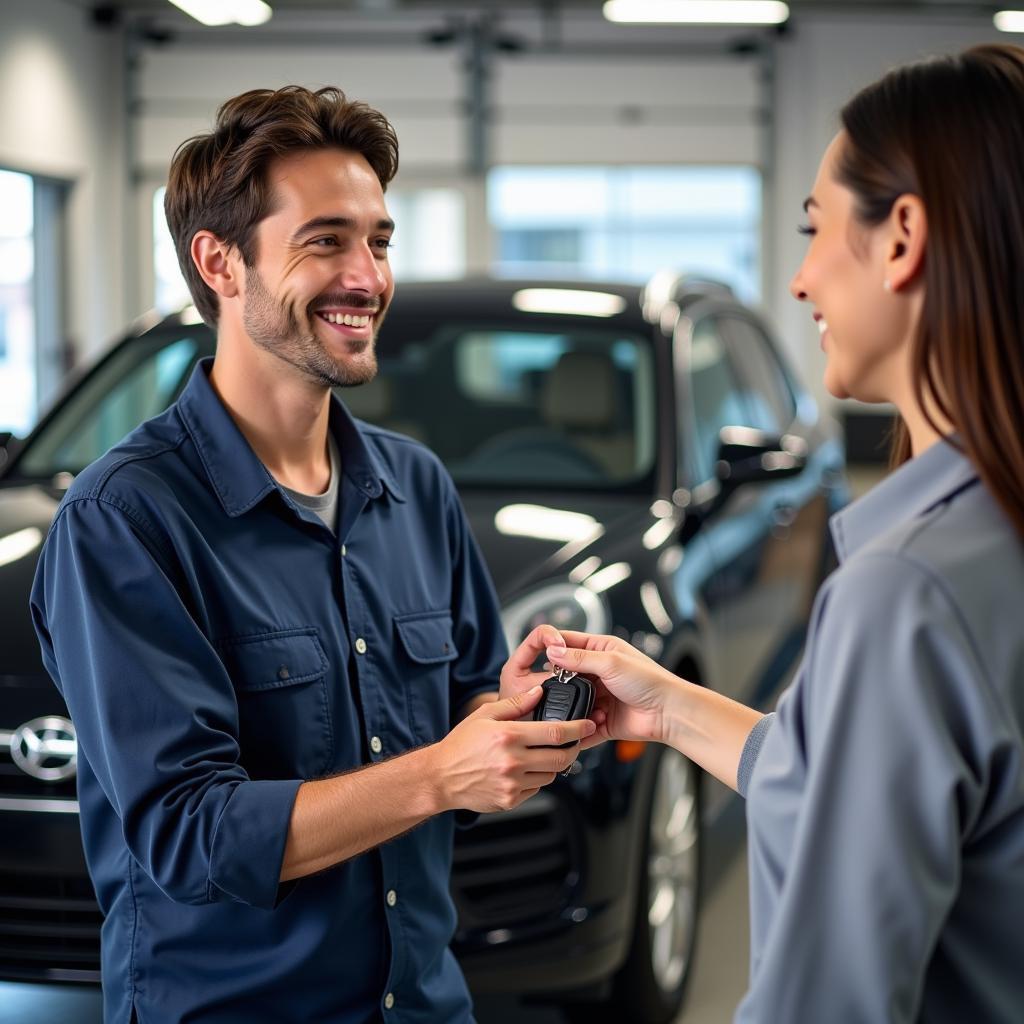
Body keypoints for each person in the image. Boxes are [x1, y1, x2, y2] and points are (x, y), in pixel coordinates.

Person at [29, 86, 592, 1024]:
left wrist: (516, 719)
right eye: (325, 240)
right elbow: (191, 835)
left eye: (379, 240)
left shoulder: (414, 489)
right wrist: (442, 771)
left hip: (419, 1005)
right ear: (221, 263)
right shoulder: (125, 521)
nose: (367, 276)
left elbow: (454, 720)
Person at [544, 44, 1024, 1024]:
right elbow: (857, 793)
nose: (799, 280)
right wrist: (669, 706)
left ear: (901, 238)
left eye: (814, 230)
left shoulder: (906, 592)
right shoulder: (987, 538)